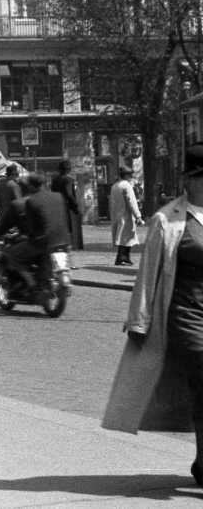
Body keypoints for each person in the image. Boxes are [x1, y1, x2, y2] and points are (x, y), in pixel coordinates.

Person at [103, 143, 203, 486]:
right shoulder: (168, 220)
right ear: (187, 180)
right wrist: (139, 320)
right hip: (185, 317)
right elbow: (148, 275)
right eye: (200, 177)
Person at [0, 173, 71, 291]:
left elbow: (31, 228)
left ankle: (31, 283)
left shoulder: (32, 201)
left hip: (43, 241)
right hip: (65, 240)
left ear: (30, 186)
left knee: (11, 254)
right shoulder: (58, 196)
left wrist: (27, 236)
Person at [110, 164, 144, 266]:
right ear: (125, 175)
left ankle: (124, 258)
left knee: (122, 237)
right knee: (126, 238)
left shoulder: (115, 186)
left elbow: (110, 202)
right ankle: (123, 258)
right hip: (126, 216)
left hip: (117, 215)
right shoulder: (127, 186)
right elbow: (131, 202)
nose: (130, 176)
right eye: (129, 174)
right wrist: (138, 216)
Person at [51, 159, 84, 251]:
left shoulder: (55, 180)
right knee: (72, 226)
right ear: (68, 169)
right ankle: (73, 244)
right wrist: (75, 204)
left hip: (58, 205)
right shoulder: (68, 179)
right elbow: (69, 193)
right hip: (68, 206)